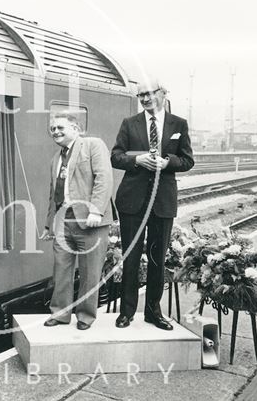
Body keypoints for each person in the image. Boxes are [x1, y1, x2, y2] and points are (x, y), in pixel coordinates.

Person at [111, 82, 194, 330]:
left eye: (150, 94)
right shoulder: (129, 123)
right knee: (131, 258)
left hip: (162, 202)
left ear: (162, 94)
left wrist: (166, 163)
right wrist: (137, 160)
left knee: (158, 259)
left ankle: (153, 313)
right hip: (132, 201)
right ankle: (126, 312)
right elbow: (116, 156)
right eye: (141, 95)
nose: (145, 98)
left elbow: (188, 160)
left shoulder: (178, 124)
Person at [41, 112, 114, 330]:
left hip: (90, 222)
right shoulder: (56, 158)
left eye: (60, 127)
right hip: (64, 222)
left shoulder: (92, 145)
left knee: (90, 272)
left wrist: (97, 211)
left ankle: (85, 317)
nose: (55, 132)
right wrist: (48, 224)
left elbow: (104, 177)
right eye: (52, 129)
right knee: (61, 270)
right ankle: (60, 314)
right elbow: (53, 194)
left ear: (76, 128)